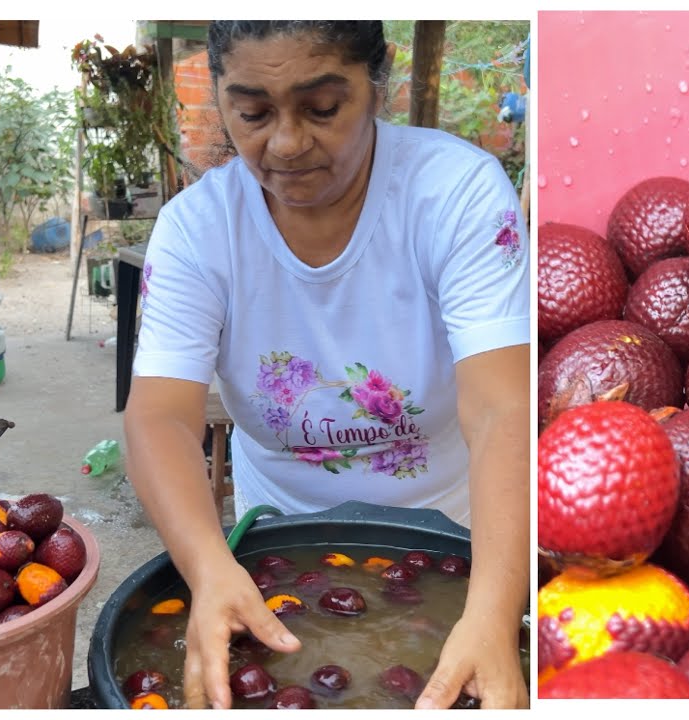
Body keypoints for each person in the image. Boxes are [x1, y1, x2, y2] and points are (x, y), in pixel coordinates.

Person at [122, 21, 529, 710]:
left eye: (321, 108)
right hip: (279, 537)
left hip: (458, 532)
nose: (285, 143)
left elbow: (501, 407)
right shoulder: (199, 229)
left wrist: (491, 613)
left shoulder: (454, 193)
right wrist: (210, 568)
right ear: (220, 97)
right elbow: (158, 417)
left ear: (378, 83)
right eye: (252, 112)